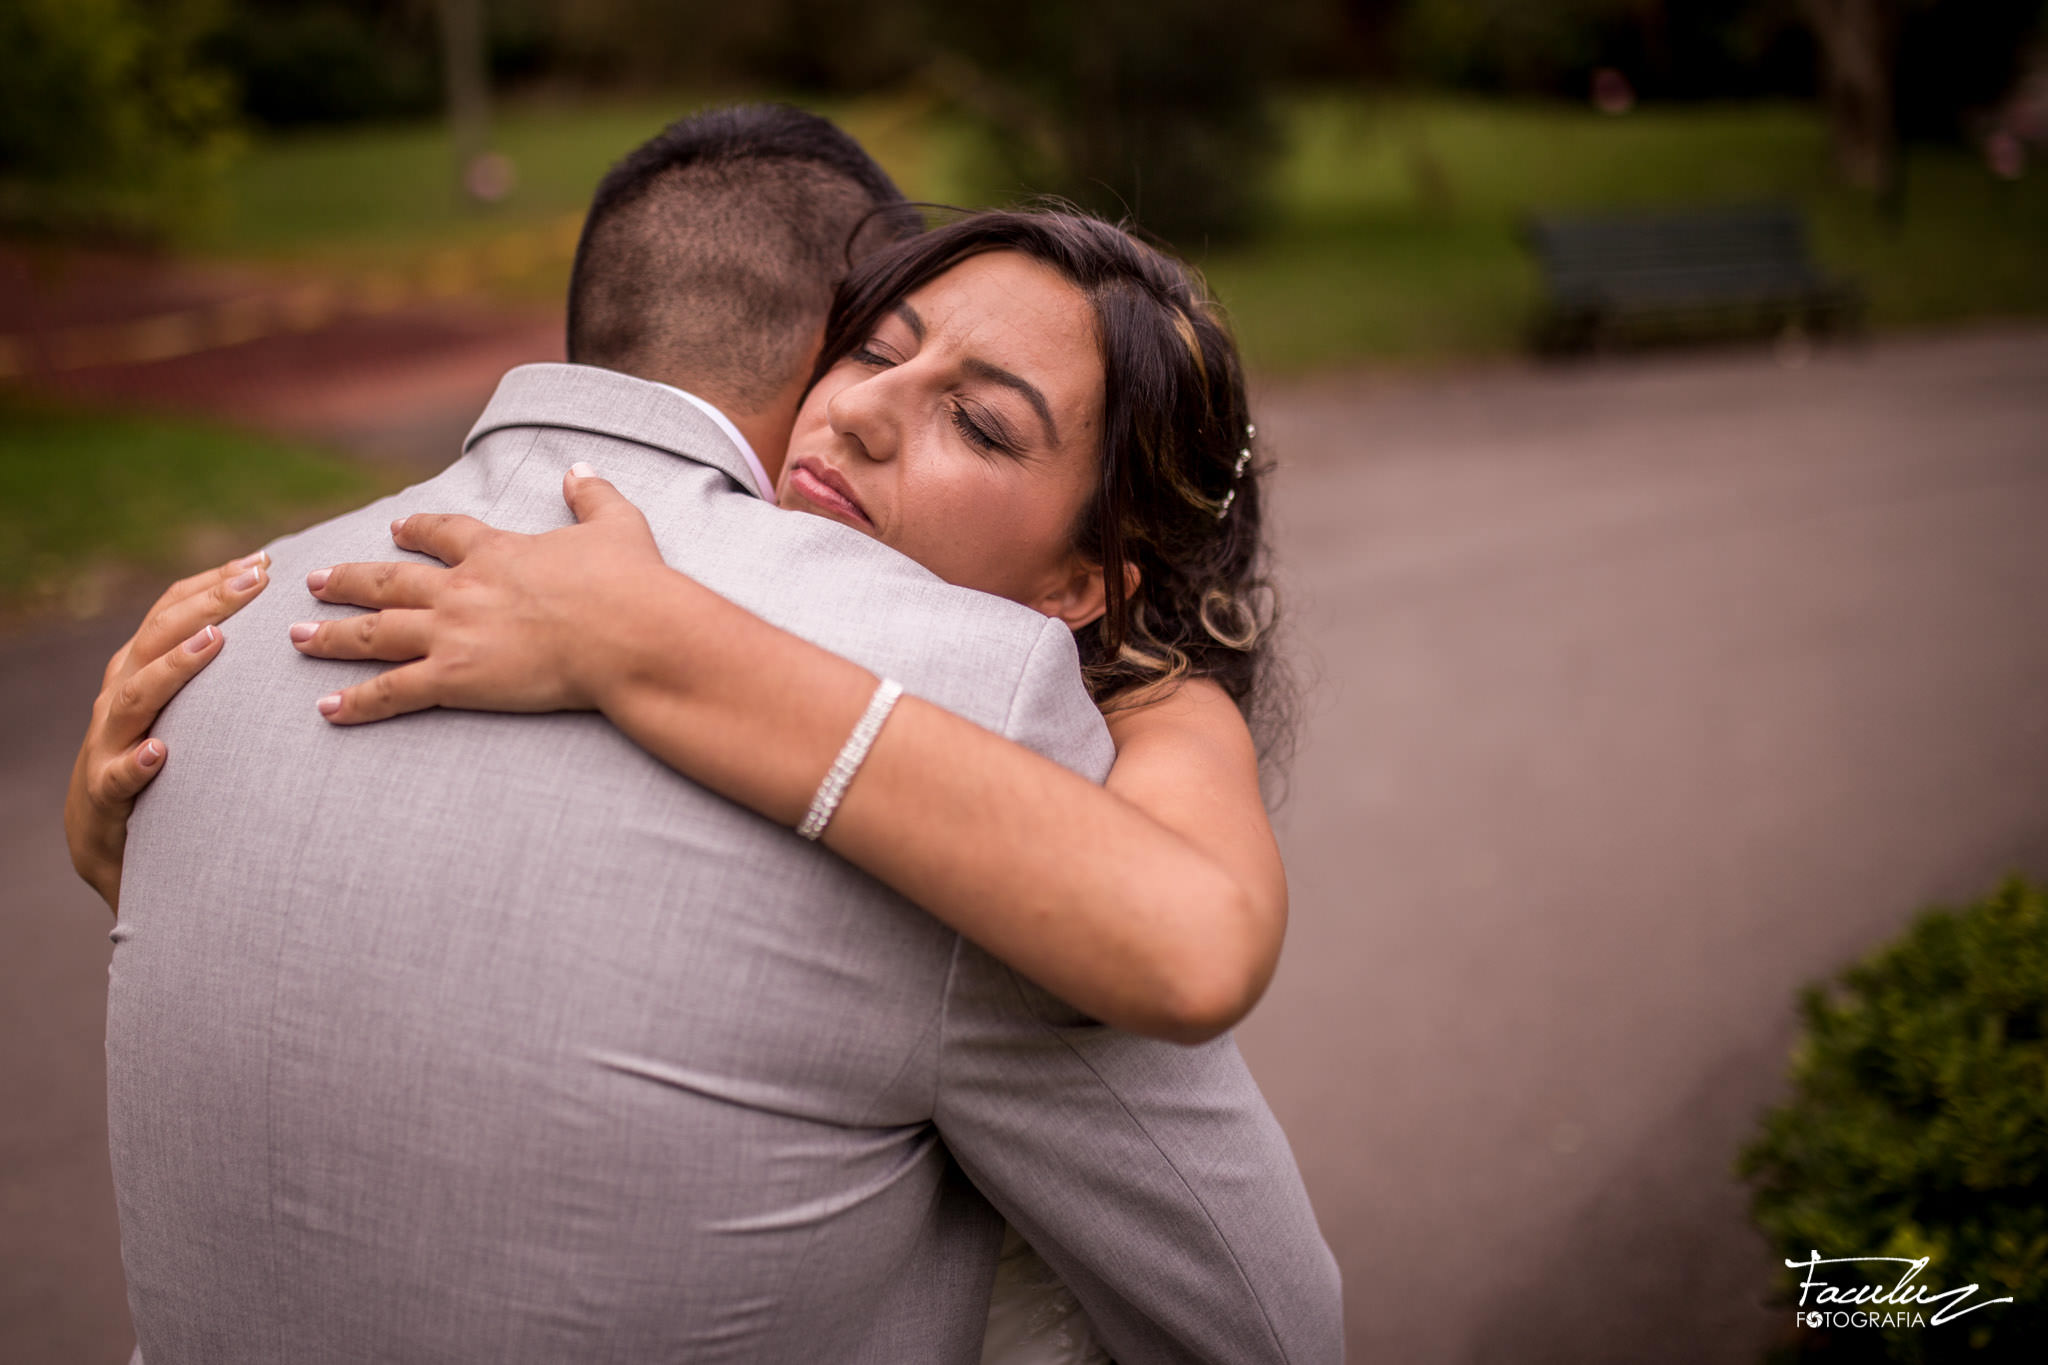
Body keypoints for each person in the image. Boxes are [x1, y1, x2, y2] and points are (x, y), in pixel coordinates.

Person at [69, 106, 1342, 1363]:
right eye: (870, 351)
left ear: (1086, 586)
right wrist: (117, 842)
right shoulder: (259, 634)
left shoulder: (1108, 709)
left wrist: (648, 637)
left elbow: (1192, 950)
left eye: (982, 422)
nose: (865, 412)